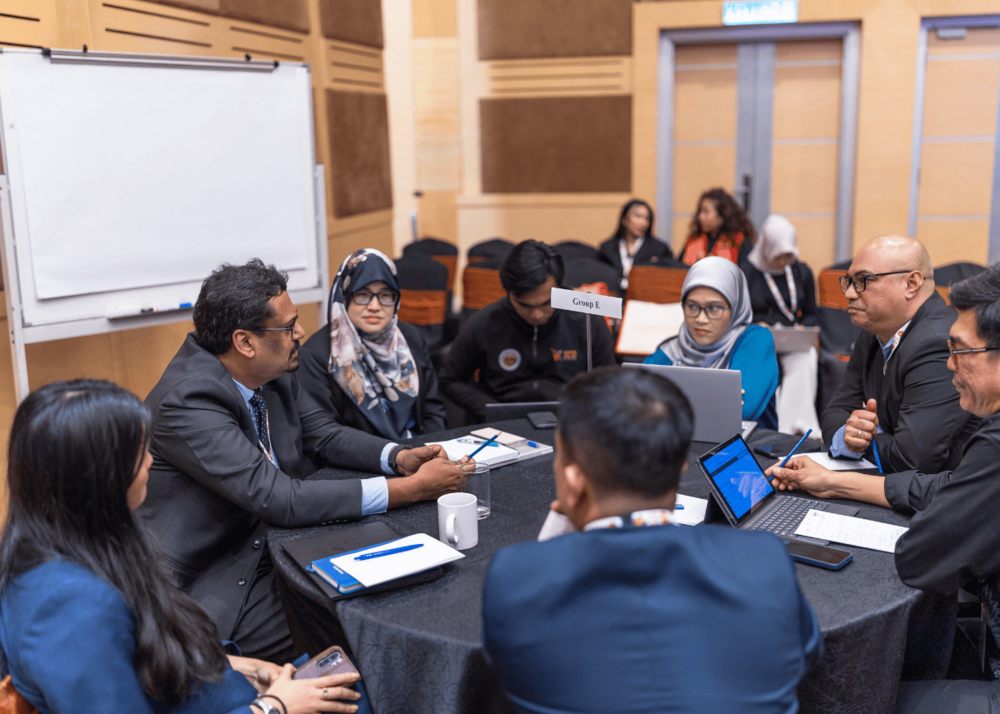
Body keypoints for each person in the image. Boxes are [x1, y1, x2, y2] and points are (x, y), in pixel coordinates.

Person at [138, 259, 464, 663]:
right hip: (211, 579)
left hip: (274, 543)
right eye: (289, 326)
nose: (302, 333)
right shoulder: (189, 400)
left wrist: (397, 457)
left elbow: (324, 434)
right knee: (355, 633)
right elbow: (279, 498)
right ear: (245, 342)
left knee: (400, 591)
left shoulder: (269, 368)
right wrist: (410, 490)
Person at [0, 380, 365, 714]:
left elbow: (139, 651)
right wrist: (275, 707)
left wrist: (236, 665)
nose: (150, 461)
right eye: (139, 451)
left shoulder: (76, 544)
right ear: (98, 477)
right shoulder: (70, 606)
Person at [482, 367, 822, 714]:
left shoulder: (514, 580)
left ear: (573, 480)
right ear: (679, 469)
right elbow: (807, 654)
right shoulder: (765, 561)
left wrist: (554, 542)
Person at [767, 266, 1000, 687]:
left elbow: (921, 556)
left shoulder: (994, 441)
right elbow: (949, 488)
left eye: (960, 351)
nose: (949, 364)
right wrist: (834, 481)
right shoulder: (871, 335)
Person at [820, 235, 978, 474]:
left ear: (911, 284)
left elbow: (911, 460)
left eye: (863, 280)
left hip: (948, 500)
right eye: (849, 281)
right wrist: (847, 435)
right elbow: (835, 411)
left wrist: (860, 440)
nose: (850, 294)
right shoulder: (872, 331)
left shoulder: (939, 342)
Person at [439, 240, 616, 421]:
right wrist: (489, 409)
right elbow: (449, 379)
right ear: (509, 293)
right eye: (524, 305)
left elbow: (610, 381)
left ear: (559, 285)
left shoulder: (586, 318)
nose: (537, 314)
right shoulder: (485, 321)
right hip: (502, 422)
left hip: (569, 420)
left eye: (546, 303)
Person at [298, 249, 447, 439]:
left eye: (385, 295)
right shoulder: (316, 356)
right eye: (362, 294)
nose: (375, 306)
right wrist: (394, 459)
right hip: (362, 464)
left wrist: (433, 451)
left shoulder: (410, 337)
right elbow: (327, 436)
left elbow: (433, 410)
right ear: (344, 296)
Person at [644, 256, 779, 428]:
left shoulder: (755, 340)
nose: (701, 319)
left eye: (714, 308)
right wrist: (717, 399)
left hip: (744, 451)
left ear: (736, 307)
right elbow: (634, 402)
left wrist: (664, 403)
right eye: (692, 306)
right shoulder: (671, 348)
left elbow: (740, 412)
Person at [741, 214, 821, 436]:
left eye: (789, 256)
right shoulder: (747, 272)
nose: (784, 262)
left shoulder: (801, 271)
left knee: (806, 359)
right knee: (767, 363)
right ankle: (774, 426)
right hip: (759, 337)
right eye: (779, 256)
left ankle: (795, 423)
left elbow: (813, 313)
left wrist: (805, 327)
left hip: (793, 337)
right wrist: (757, 323)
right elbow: (740, 313)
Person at [597, 198, 678, 291]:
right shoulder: (607, 249)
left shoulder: (659, 249)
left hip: (645, 300)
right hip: (613, 299)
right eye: (638, 216)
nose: (643, 222)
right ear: (624, 219)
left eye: (647, 218)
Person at [678, 187, 755, 266]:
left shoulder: (739, 241)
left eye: (706, 212)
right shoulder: (693, 239)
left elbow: (746, 274)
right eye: (700, 211)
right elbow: (677, 267)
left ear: (722, 215)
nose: (700, 216)